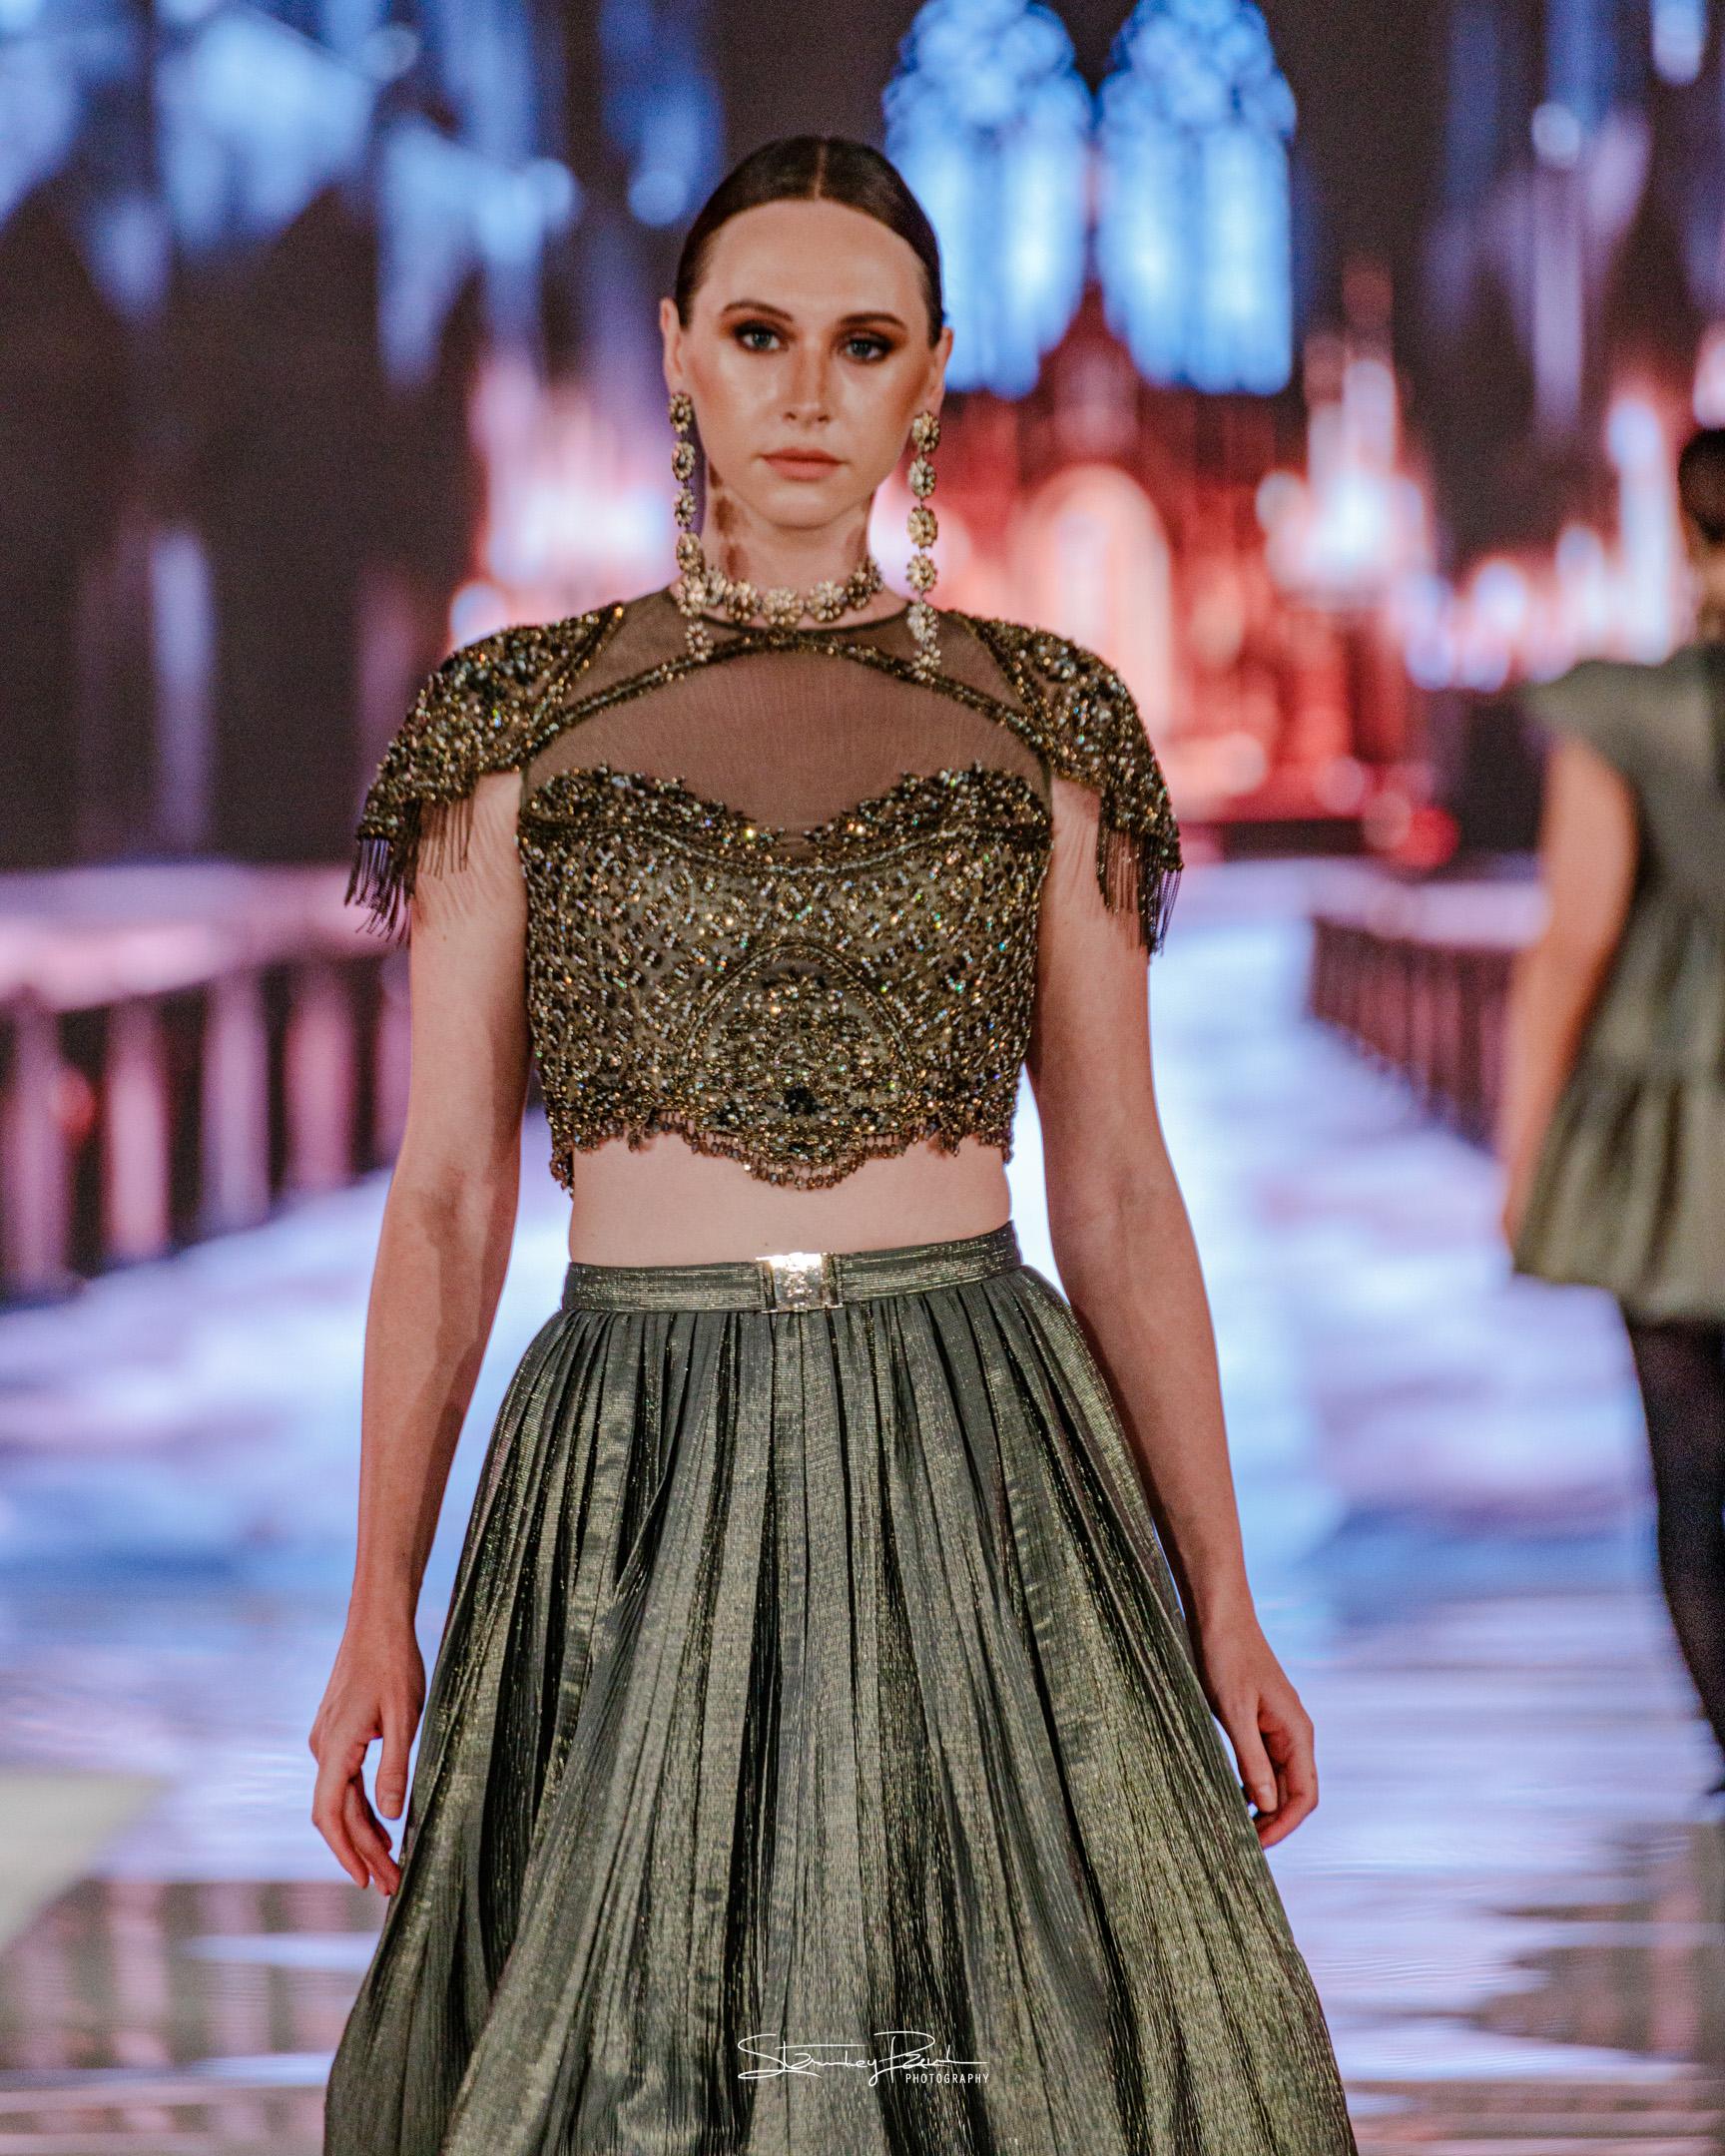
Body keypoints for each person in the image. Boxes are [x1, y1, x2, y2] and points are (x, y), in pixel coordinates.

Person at [314, 134, 1358, 2155]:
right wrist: (380, 1596)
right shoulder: (504, 725)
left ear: (931, 376)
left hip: (979, 1439)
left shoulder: (1053, 723)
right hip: (629, 1457)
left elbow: (1117, 1189)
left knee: (1006, 2053)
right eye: (759, 335)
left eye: (862, 344)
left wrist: (1224, 1593)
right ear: (677, 353)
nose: (807, 393)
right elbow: (444, 1197)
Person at [1500, 423, 1725, 1793]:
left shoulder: (1631, 715)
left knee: (1694, 1472)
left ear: (1689, 535)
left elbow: (1574, 941)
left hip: (1670, 1138)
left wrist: (1525, 1153)